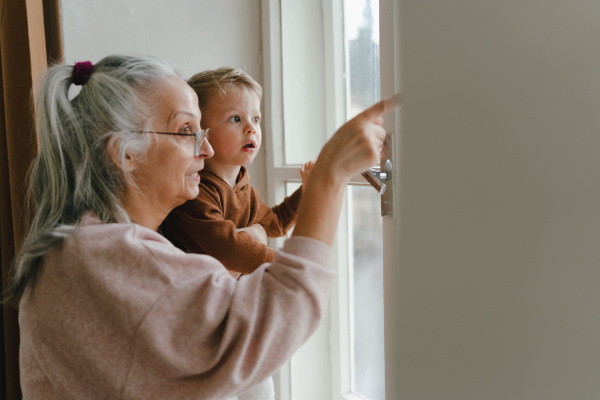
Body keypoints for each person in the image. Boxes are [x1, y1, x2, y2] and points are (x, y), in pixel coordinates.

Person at [7, 54, 398, 400]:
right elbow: (268, 323)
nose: (206, 149)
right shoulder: (102, 258)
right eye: (185, 131)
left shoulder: (85, 249)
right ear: (126, 154)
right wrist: (329, 177)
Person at [161, 67, 314, 279]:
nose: (251, 128)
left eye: (256, 119)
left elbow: (276, 223)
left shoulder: (243, 189)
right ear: (201, 131)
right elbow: (226, 248)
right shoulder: (195, 192)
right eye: (235, 119)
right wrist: (284, 263)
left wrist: (307, 190)